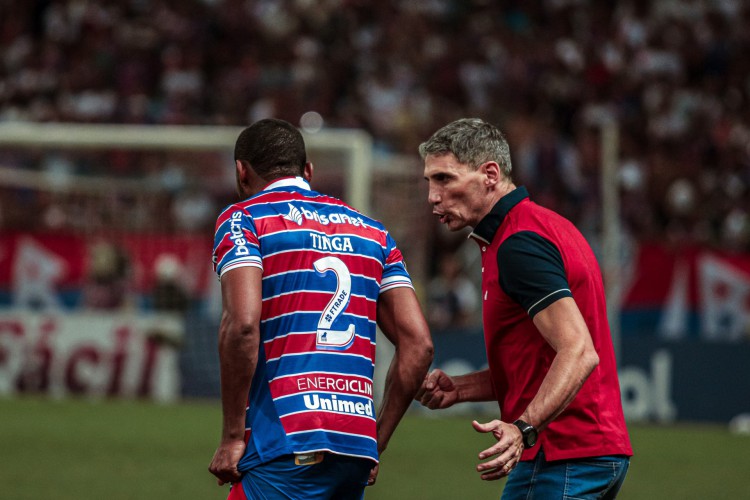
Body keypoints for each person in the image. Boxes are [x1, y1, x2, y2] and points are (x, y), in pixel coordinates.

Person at [208, 118, 433, 499]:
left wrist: (232, 436)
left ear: (241, 173)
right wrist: (376, 439)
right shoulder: (374, 232)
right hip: (355, 444)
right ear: (308, 171)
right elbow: (419, 345)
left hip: (286, 438)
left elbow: (243, 325)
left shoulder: (244, 219)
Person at [416, 118, 632, 498]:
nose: (433, 196)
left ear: (490, 174)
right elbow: (538, 362)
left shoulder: (519, 243)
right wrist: (461, 388)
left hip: (560, 454)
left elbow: (579, 351)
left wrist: (524, 428)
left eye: (445, 179)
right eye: (430, 182)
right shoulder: (540, 227)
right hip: (590, 451)